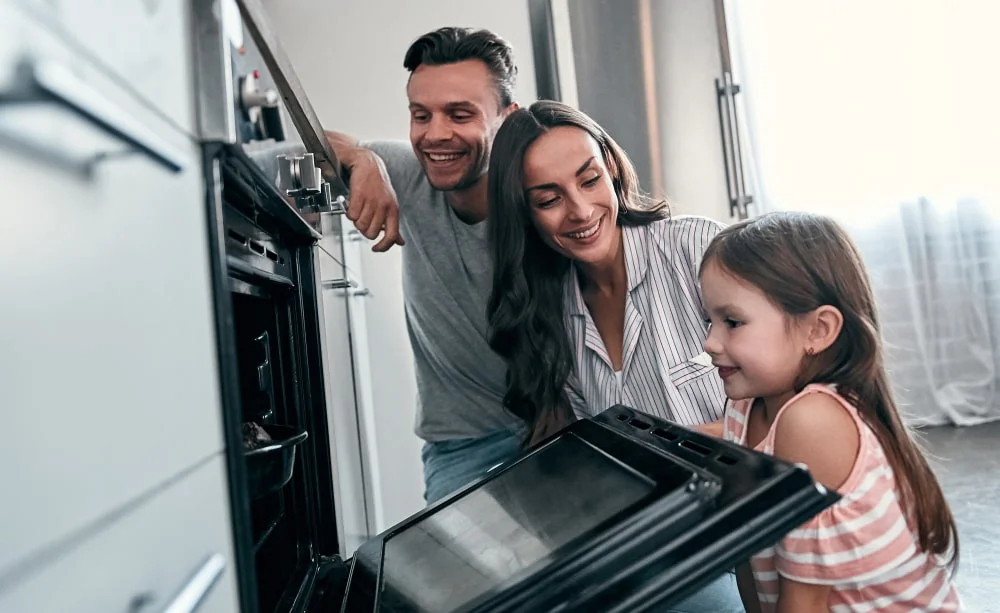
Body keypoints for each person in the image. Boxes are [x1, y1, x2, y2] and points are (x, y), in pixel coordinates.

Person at [485, 100, 741, 611]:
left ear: (612, 169)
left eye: (589, 179)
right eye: (548, 198)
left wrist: (648, 447)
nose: (580, 211)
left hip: (743, 514)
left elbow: (784, 410)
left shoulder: (693, 248)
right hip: (651, 534)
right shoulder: (547, 315)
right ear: (525, 214)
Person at [700, 212, 962, 612]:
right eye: (710, 320)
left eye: (732, 322)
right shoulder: (743, 406)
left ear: (817, 330)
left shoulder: (812, 421)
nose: (709, 342)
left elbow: (804, 602)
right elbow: (749, 553)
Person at [324, 27, 526, 504]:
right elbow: (305, 141)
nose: (435, 134)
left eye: (460, 114)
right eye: (421, 115)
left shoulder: (542, 195)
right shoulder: (406, 172)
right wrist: (361, 157)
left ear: (508, 120)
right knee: (464, 579)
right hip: (461, 445)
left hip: (564, 425)